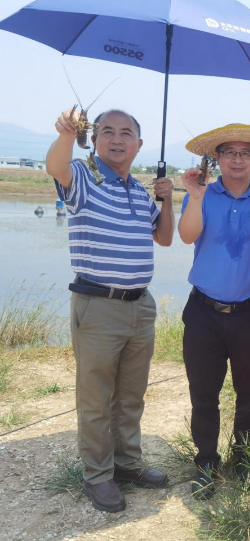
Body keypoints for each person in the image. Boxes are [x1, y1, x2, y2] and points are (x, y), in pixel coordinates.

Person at [46, 107, 175, 513]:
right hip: (98, 305)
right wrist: (67, 134)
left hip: (141, 306)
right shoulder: (85, 176)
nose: (117, 139)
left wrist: (167, 200)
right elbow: (56, 166)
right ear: (94, 139)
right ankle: (98, 475)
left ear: (139, 144)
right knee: (96, 396)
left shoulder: (138, 189)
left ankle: (128, 464)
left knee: (131, 396)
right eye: (107, 132)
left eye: (126, 133)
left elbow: (166, 238)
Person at [179, 124, 250, 499]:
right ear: (217, 159)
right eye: (229, 152)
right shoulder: (201, 194)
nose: (238, 159)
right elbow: (187, 236)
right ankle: (206, 461)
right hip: (204, 311)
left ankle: (245, 460)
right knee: (204, 391)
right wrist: (194, 196)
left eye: (246, 153)